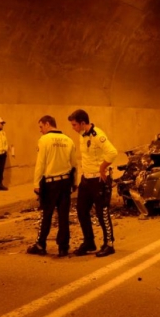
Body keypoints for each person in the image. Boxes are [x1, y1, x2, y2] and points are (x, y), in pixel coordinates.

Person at [68, 109, 118, 257]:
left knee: (102, 212)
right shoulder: (82, 135)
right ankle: (89, 242)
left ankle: (109, 244)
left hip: (99, 180)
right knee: (82, 211)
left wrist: (102, 168)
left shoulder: (98, 135)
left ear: (83, 123)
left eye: (74, 125)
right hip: (86, 179)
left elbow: (112, 152)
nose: (73, 128)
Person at [27, 115, 77, 257]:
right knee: (63, 216)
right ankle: (63, 247)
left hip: (50, 184)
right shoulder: (69, 140)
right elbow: (74, 164)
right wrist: (75, 182)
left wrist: (36, 183)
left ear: (48, 124)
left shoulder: (44, 140)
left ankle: (41, 244)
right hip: (65, 182)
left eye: (41, 127)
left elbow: (40, 163)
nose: (40, 130)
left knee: (46, 215)